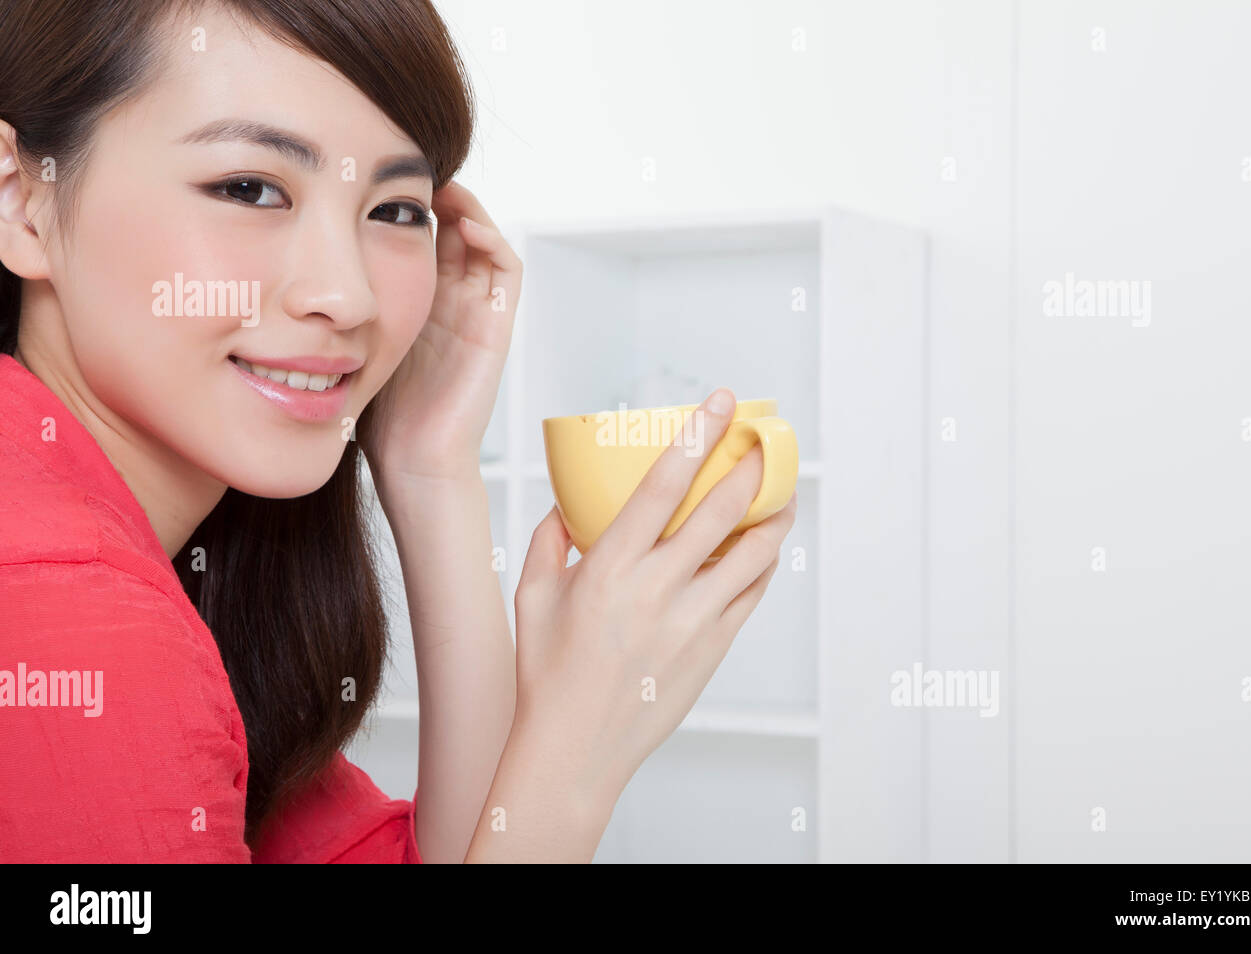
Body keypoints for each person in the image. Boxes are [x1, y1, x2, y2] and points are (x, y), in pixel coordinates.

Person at [0, 0, 796, 863]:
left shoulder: (151, 554)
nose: (347, 296)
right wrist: (575, 752)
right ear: (21, 202)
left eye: (395, 209)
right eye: (249, 189)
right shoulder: (71, 615)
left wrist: (428, 464)